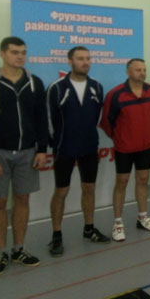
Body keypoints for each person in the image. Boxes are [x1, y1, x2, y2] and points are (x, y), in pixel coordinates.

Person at [0, 36, 47, 276]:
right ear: (2, 54)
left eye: (23, 52)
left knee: (23, 200)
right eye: (14, 52)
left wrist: (42, 149)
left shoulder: (35, 83)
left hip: (28, 153)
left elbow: (42, 118)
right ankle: (1, 252)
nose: (20, 56)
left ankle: (19, 249)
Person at [46, 47, 109, 257]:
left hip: (89, 147)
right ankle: (56, 234)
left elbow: (98, 116)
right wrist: (55, 143)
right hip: (64, 148)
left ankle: (89, 229)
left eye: (88, 58)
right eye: (80, 58)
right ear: (70, 61)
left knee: (89, 187)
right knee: (61, 191)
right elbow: (49, 120)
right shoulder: (56, 88)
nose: (85, 62)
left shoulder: (97, 87)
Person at [101, 59, 150, 241]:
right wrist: (121, 138)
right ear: (128, 72)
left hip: (146, 146)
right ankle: (118, 223)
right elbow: (107, 122)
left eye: (144, 70)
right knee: (122, 182)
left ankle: (142, 217)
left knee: (143, 180)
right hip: (124, 148)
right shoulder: (115, 94)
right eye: (138, 70)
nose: (142, 73)